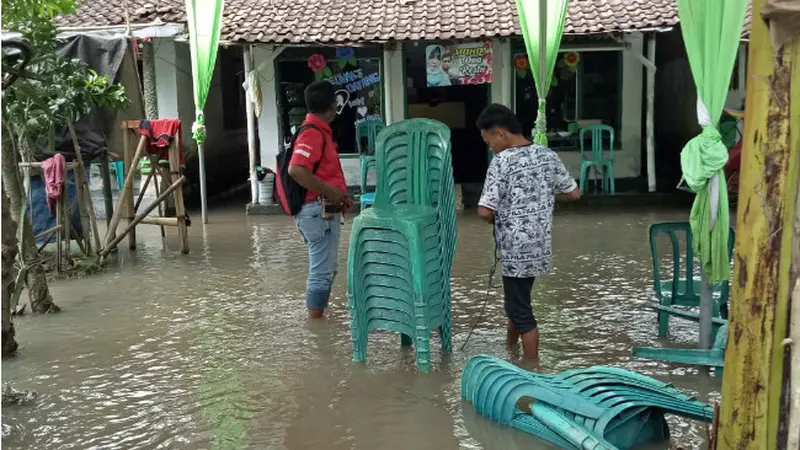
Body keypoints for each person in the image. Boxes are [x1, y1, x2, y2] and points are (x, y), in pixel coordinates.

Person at [475, 104, 581, 359]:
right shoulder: (547, 156)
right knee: (517, 302)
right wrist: (543, 199)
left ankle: (532, 369)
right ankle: (511, 351)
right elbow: (573, 193)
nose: (490, 148)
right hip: (540, 245)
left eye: (488, 141)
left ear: (500, 134)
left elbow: (484, 211)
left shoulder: (502, 161)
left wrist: (499, 219)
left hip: (514, 249)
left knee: (521, 311)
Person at [288, 81, 353, 319]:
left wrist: (339, 196)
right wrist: (331, 192)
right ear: (332, 106)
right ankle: (315, 323)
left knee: (327, 269)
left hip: (322, 210)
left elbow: (323, 172)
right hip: (317, 211)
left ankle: (318, 321)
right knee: (322, 271)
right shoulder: (314, 134)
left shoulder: (317, 131)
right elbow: (296, 170)